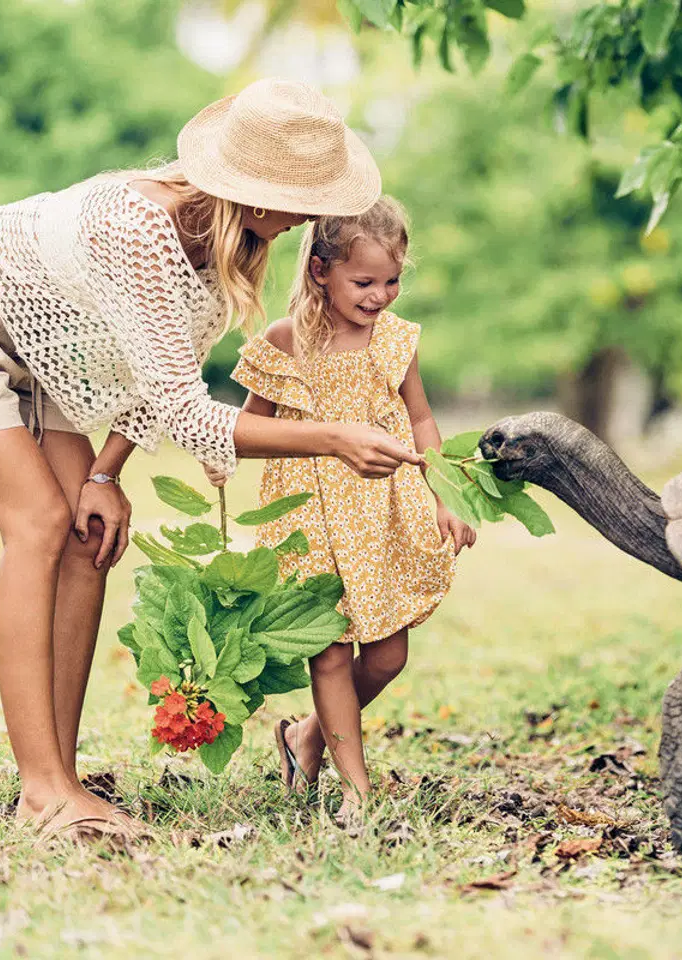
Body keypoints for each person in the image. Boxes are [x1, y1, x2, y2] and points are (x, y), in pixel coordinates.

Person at [0, 78, 423, 841]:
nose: (309, 222)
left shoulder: (227, 249)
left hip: (42, 347)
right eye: (302, 202)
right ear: (253, 194)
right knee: (37, 524)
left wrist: (105, 473)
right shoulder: (140, 226)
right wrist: (333, 434)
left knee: (87, 542)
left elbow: (144, 378)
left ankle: (58, 771)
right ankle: (44, 793)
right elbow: (190, 416)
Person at [223, 196, 473, 828]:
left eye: (391, 280)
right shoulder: (286, 342)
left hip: (383, 514)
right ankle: (355, 789)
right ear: (321, 272)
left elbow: (420, 418)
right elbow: (248, 429)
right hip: (307, 514)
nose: (380, 295)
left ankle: (307, 735)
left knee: (388, 657)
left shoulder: (395, 340)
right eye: (364, 282)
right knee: (329, 652)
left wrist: (448, 494)